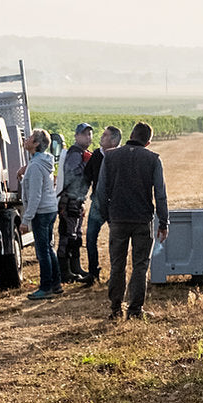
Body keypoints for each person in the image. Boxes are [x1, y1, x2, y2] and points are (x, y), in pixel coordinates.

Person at [102, 121, 168, 320]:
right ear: (148, 142)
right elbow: (161, 194)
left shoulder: (111, 156)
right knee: (140, 265)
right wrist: (164, 222)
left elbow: (101, 191)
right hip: (142, 220)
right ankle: (135, 310)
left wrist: (108, 217)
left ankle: (115, 309)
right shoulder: (153, 159)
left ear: (130, 135)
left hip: (118, 219)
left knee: (117, 265)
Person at [18, 127, 63, 300]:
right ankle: (56, 283)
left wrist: (25, 219)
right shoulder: (40, 162)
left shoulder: (36, 166)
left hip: (42, 212)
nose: (26, 139)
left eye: (30, 137)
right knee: (48, 248)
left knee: (42, 251)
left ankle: (45, 287)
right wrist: (23, 176)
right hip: (49, 209)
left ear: (36, 144)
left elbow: (35, 196)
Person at [83, 125, 123, 284]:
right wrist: (79, 199)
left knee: (117, 240)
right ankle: (93, 273)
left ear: (114, 140)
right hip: (97, 204)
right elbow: (86, 178)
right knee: (90, 238)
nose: (101, 137)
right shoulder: (96, 156)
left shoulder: (122, 156)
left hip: (115, 205)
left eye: (105, 135)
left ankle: (116, 274)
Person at [56, 121, 95, 283]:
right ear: (76, 136)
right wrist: (87, 164)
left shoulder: (82, 153)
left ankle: (75, 267)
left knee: (76, 236)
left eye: (90, 133)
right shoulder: (75, 153)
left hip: (78, 200)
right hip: (70, 200)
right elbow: (72, 173)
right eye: (85, 134)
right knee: (67, 235)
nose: (88, 136)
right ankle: (64, 272)